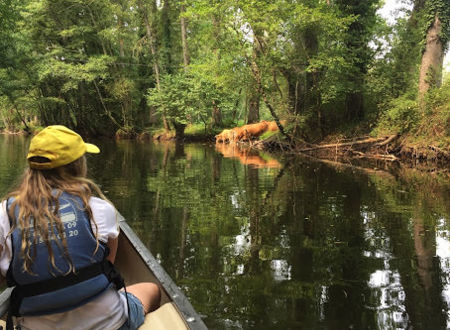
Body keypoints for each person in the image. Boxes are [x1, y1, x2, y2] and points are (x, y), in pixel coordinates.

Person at [0, 125, 161, 330]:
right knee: (152, 290)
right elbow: (106, 267)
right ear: (77, 166)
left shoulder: (4, 215)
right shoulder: (99, 209)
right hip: (110, 324)